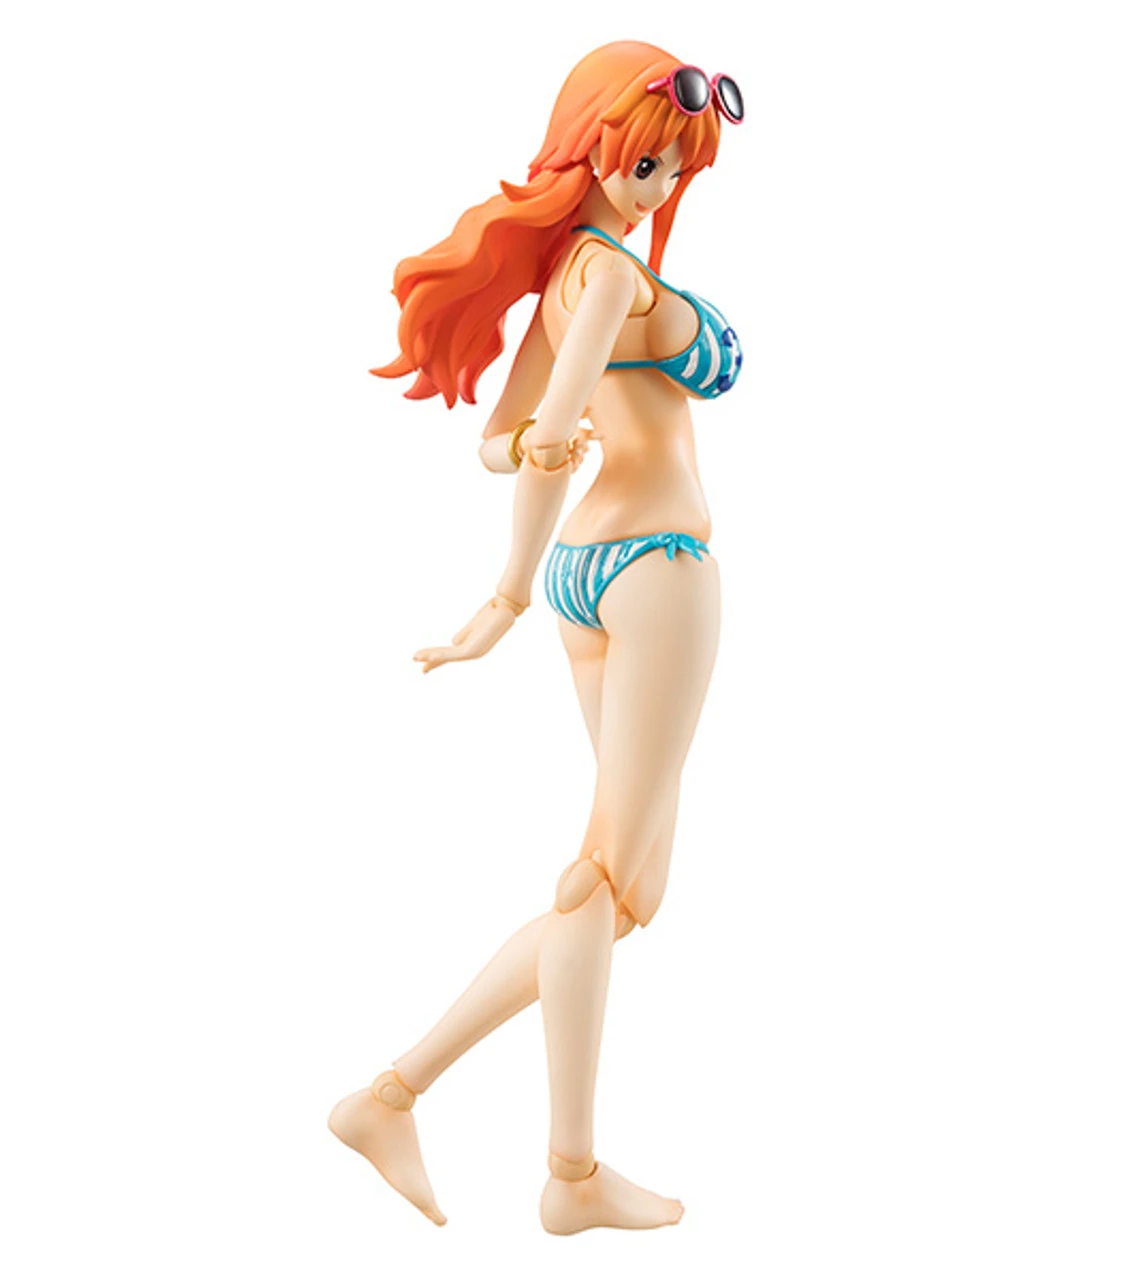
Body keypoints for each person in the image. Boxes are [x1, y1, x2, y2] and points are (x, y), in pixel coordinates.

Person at [329, 40, 744, 1235]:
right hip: (655, 566)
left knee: (621, 887)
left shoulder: (572, 269)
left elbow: (504, 439)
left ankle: (390, 1097)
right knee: (604, 880)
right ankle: (565, 1171)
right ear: (590, 143)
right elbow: (546, 435)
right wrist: (513, 554)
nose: (657, 182)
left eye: (674, 167)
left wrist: (514, 592)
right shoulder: (606, 274)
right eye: (642, 159)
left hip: (580, 577)